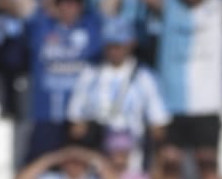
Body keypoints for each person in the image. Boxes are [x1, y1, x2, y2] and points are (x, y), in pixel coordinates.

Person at [152, 0, 222, 179]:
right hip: (170, 107)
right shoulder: (169, 6)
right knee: (169, 176)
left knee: (210, 177)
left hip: (207, 106)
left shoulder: (218, 6)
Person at [66, 16, 169, 161]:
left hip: (134, 156)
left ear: (131, 44)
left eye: (118, 45)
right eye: (109, 46)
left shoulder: (145, 77)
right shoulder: (89, 74)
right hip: (98, 155)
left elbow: (158, 127)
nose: (114, 51)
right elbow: (76, 126)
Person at [24, 0, 103, 164]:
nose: (69, 8)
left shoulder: (92, 27)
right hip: (46, 115)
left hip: (80, 119)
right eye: (64, 3)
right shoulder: (41, 26)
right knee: (38, 168)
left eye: (74, 3)